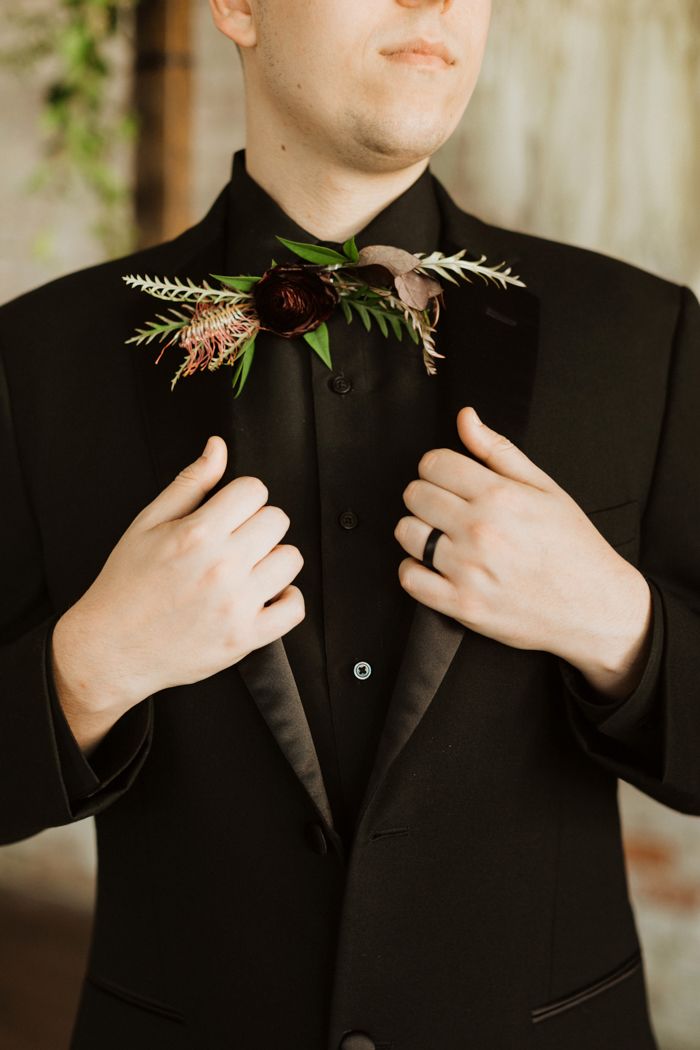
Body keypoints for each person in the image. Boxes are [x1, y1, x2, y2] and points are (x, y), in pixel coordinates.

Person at [0, 0, 698, 1046]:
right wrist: (86, 670)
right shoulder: (39, 359)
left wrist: (617, 627)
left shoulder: (647, 338)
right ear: (235, 7)